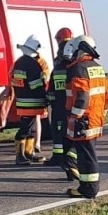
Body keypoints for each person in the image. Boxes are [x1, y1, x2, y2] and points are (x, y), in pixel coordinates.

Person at [64, 35, 108, 198]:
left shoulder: (79, 69)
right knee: (87, 152)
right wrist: (101, 115)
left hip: (83, 119)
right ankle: (88, 186)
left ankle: (88, 189)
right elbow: (106, 94)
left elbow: (82, 97)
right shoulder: (97, 67)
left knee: (85, 156)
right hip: (94, 118)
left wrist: (73, 117)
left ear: (80, 49)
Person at [10, 35, 50, 165]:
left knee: (31, 128)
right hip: (33, 101)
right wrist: (46, 95)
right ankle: (20, 156)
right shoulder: (32, 64)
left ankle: (28, 152)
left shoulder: (19, 62)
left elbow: (15, 81)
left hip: (22, 101)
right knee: (25, 129)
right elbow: (35, 84)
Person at [45, 27, 77, 172]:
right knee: (68, 131)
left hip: (59, 103)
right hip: (69, 103)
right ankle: (64, 157)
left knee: (58, 130)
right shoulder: (74, 60)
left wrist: (51, 101)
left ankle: (60, 157)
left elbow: (52, 85)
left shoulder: (59, 62)